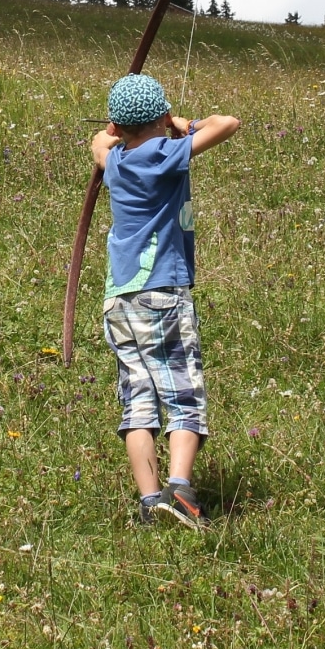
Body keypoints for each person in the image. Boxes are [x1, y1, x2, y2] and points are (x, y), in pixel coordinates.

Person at [89, 73, 240, 528]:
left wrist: (112, 133)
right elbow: (228, 123)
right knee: (183, 394)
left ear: (117, 128)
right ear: (158, 120)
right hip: (163, 292)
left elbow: (98, 144)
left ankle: (150, 501)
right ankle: (180, 490)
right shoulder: (162, 152)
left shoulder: (113, 162)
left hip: (120, 299)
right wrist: (183, 122)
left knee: (137, 400)